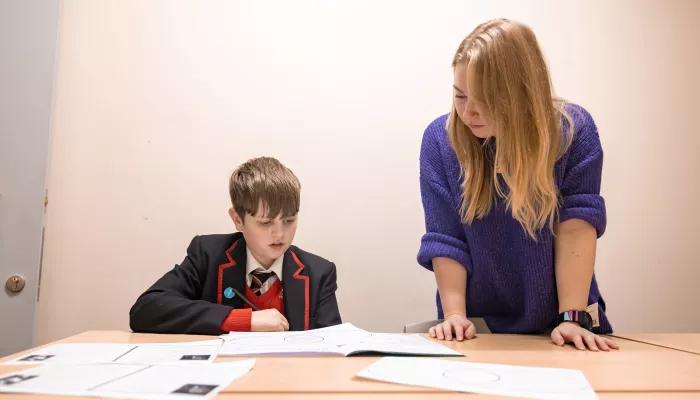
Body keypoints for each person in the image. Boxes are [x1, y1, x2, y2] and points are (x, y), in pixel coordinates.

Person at [417, 18, 618, 351]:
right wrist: (453, 316)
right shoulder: (440, 140)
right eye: (460, 96)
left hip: (563, 321)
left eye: (485, 99)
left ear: (522, 93)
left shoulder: (572, 132)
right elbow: (446, 239)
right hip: (476, 328)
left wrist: (571, 316)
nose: (470, 112)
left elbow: (576, 228)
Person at [130, 156, 342, 334]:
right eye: (265, 222)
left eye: (289, 220)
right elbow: (145, 310)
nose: (280, 233)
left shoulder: (319, 273)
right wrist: (242, 320)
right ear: (238, 220)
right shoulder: (208, 255)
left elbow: (334, 348)